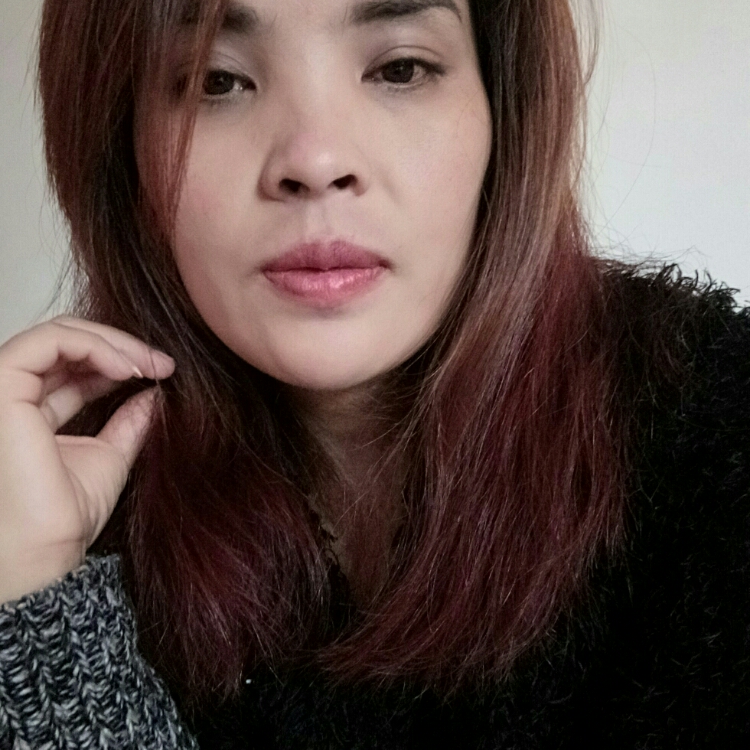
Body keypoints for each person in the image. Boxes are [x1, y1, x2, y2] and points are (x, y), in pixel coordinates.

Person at [0, 0, 748, 747]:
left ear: (504, 106)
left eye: (401, 69)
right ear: (121, 140)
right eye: (217, 81)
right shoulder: (51, 507)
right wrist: (39, 603)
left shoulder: (717, 427)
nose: (316, 161)